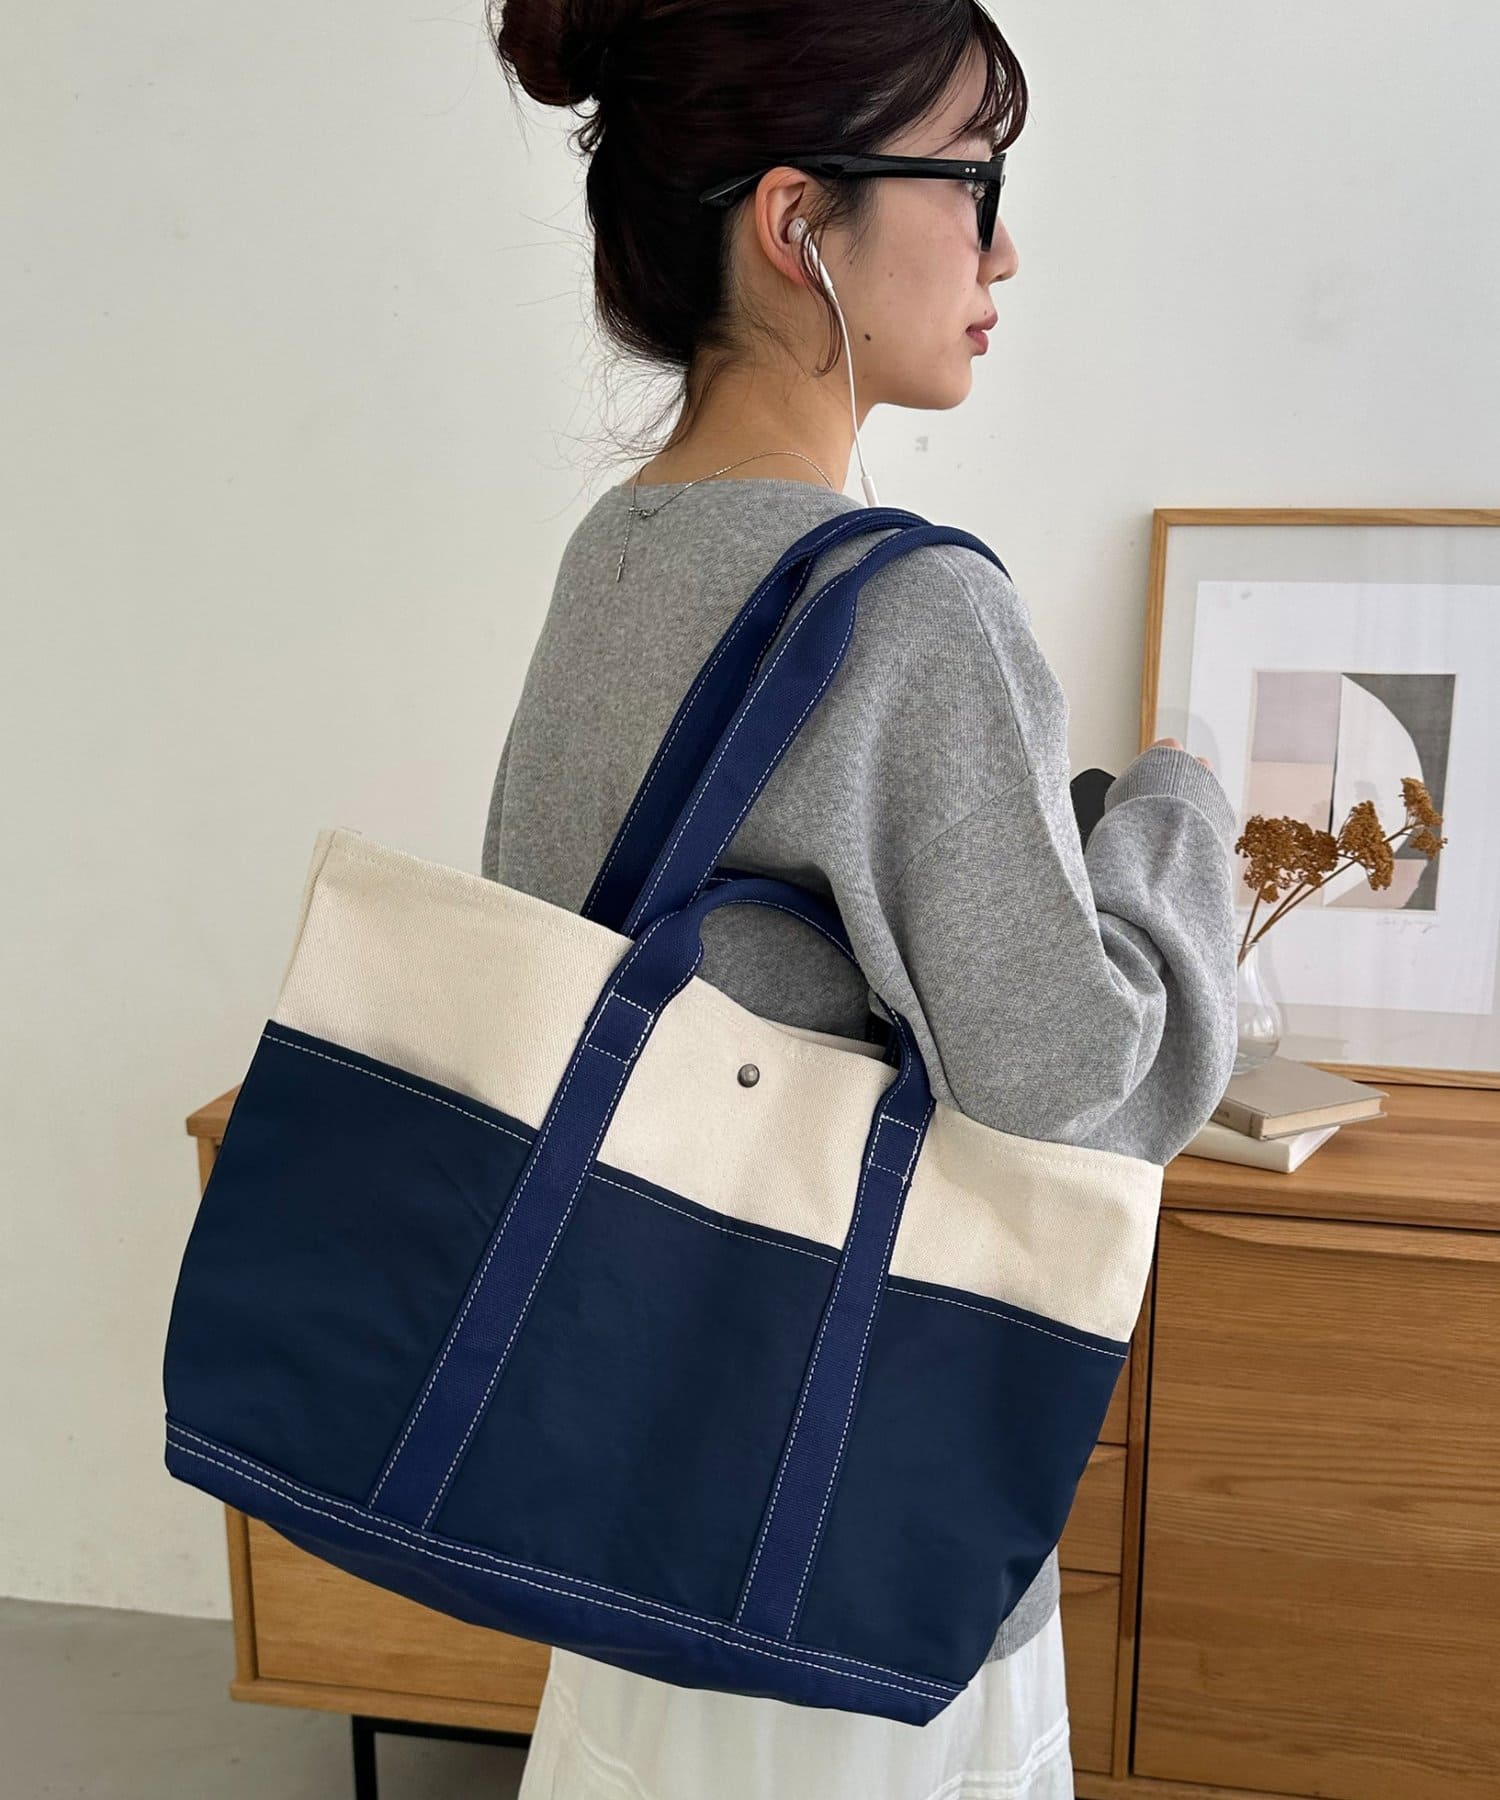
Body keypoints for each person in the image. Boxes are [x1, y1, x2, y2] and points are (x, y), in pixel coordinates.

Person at [479, 3, 1240, 1794]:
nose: (1001, 248)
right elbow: (1085, 1090)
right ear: (798, 220)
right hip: (839, 1529)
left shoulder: (617, 555)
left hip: (628, 1488)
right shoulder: (910, 609)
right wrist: (1177, 810)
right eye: (972, 181)